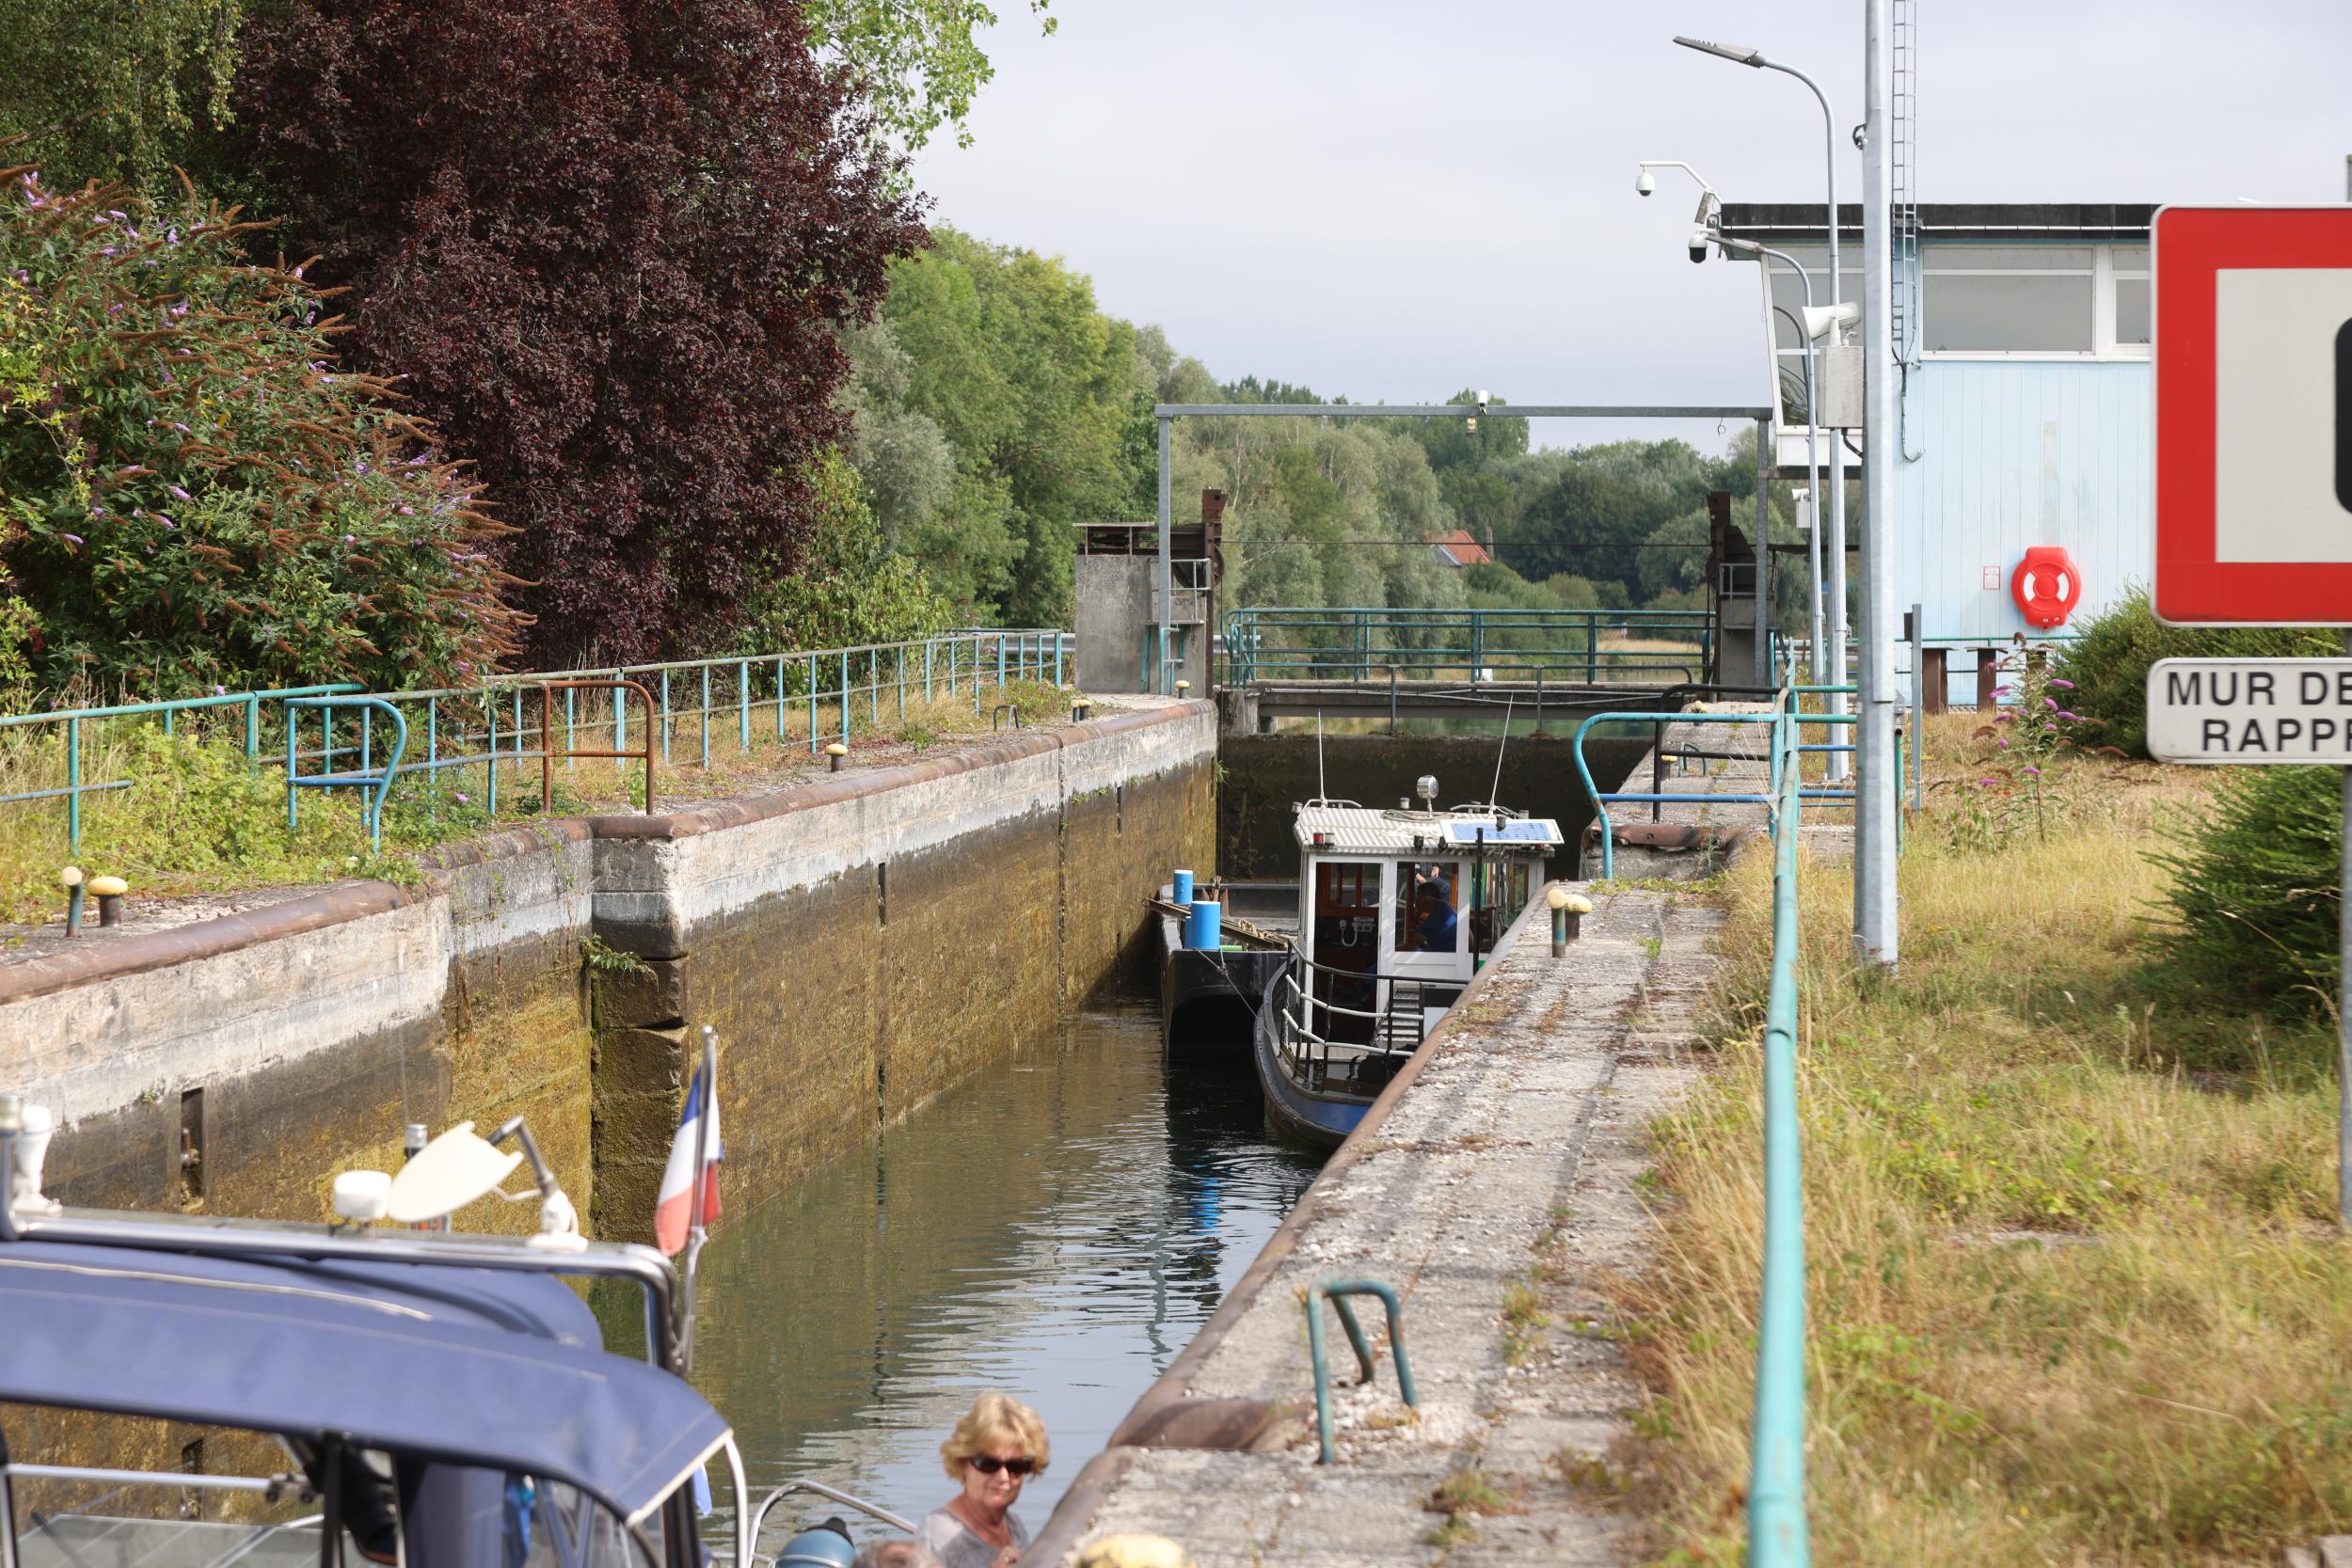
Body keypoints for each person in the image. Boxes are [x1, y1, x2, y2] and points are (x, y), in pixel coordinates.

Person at [918, 1393, 1048, 1568]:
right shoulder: (936, 1536)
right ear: (963, 1462)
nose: (1003, 1477)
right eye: (989, 1464)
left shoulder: (1015, 1527)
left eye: (1015, 1466)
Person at [1413, 881, 1457, 953]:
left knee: (1409, 951)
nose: (1417, 899)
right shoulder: (1443, 907)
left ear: (1427, 898)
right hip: (1450, 951)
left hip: (1446, 953)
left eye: (1419, 895)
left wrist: (1418, 912)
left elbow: (1416, 940)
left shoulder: (1437, 915)